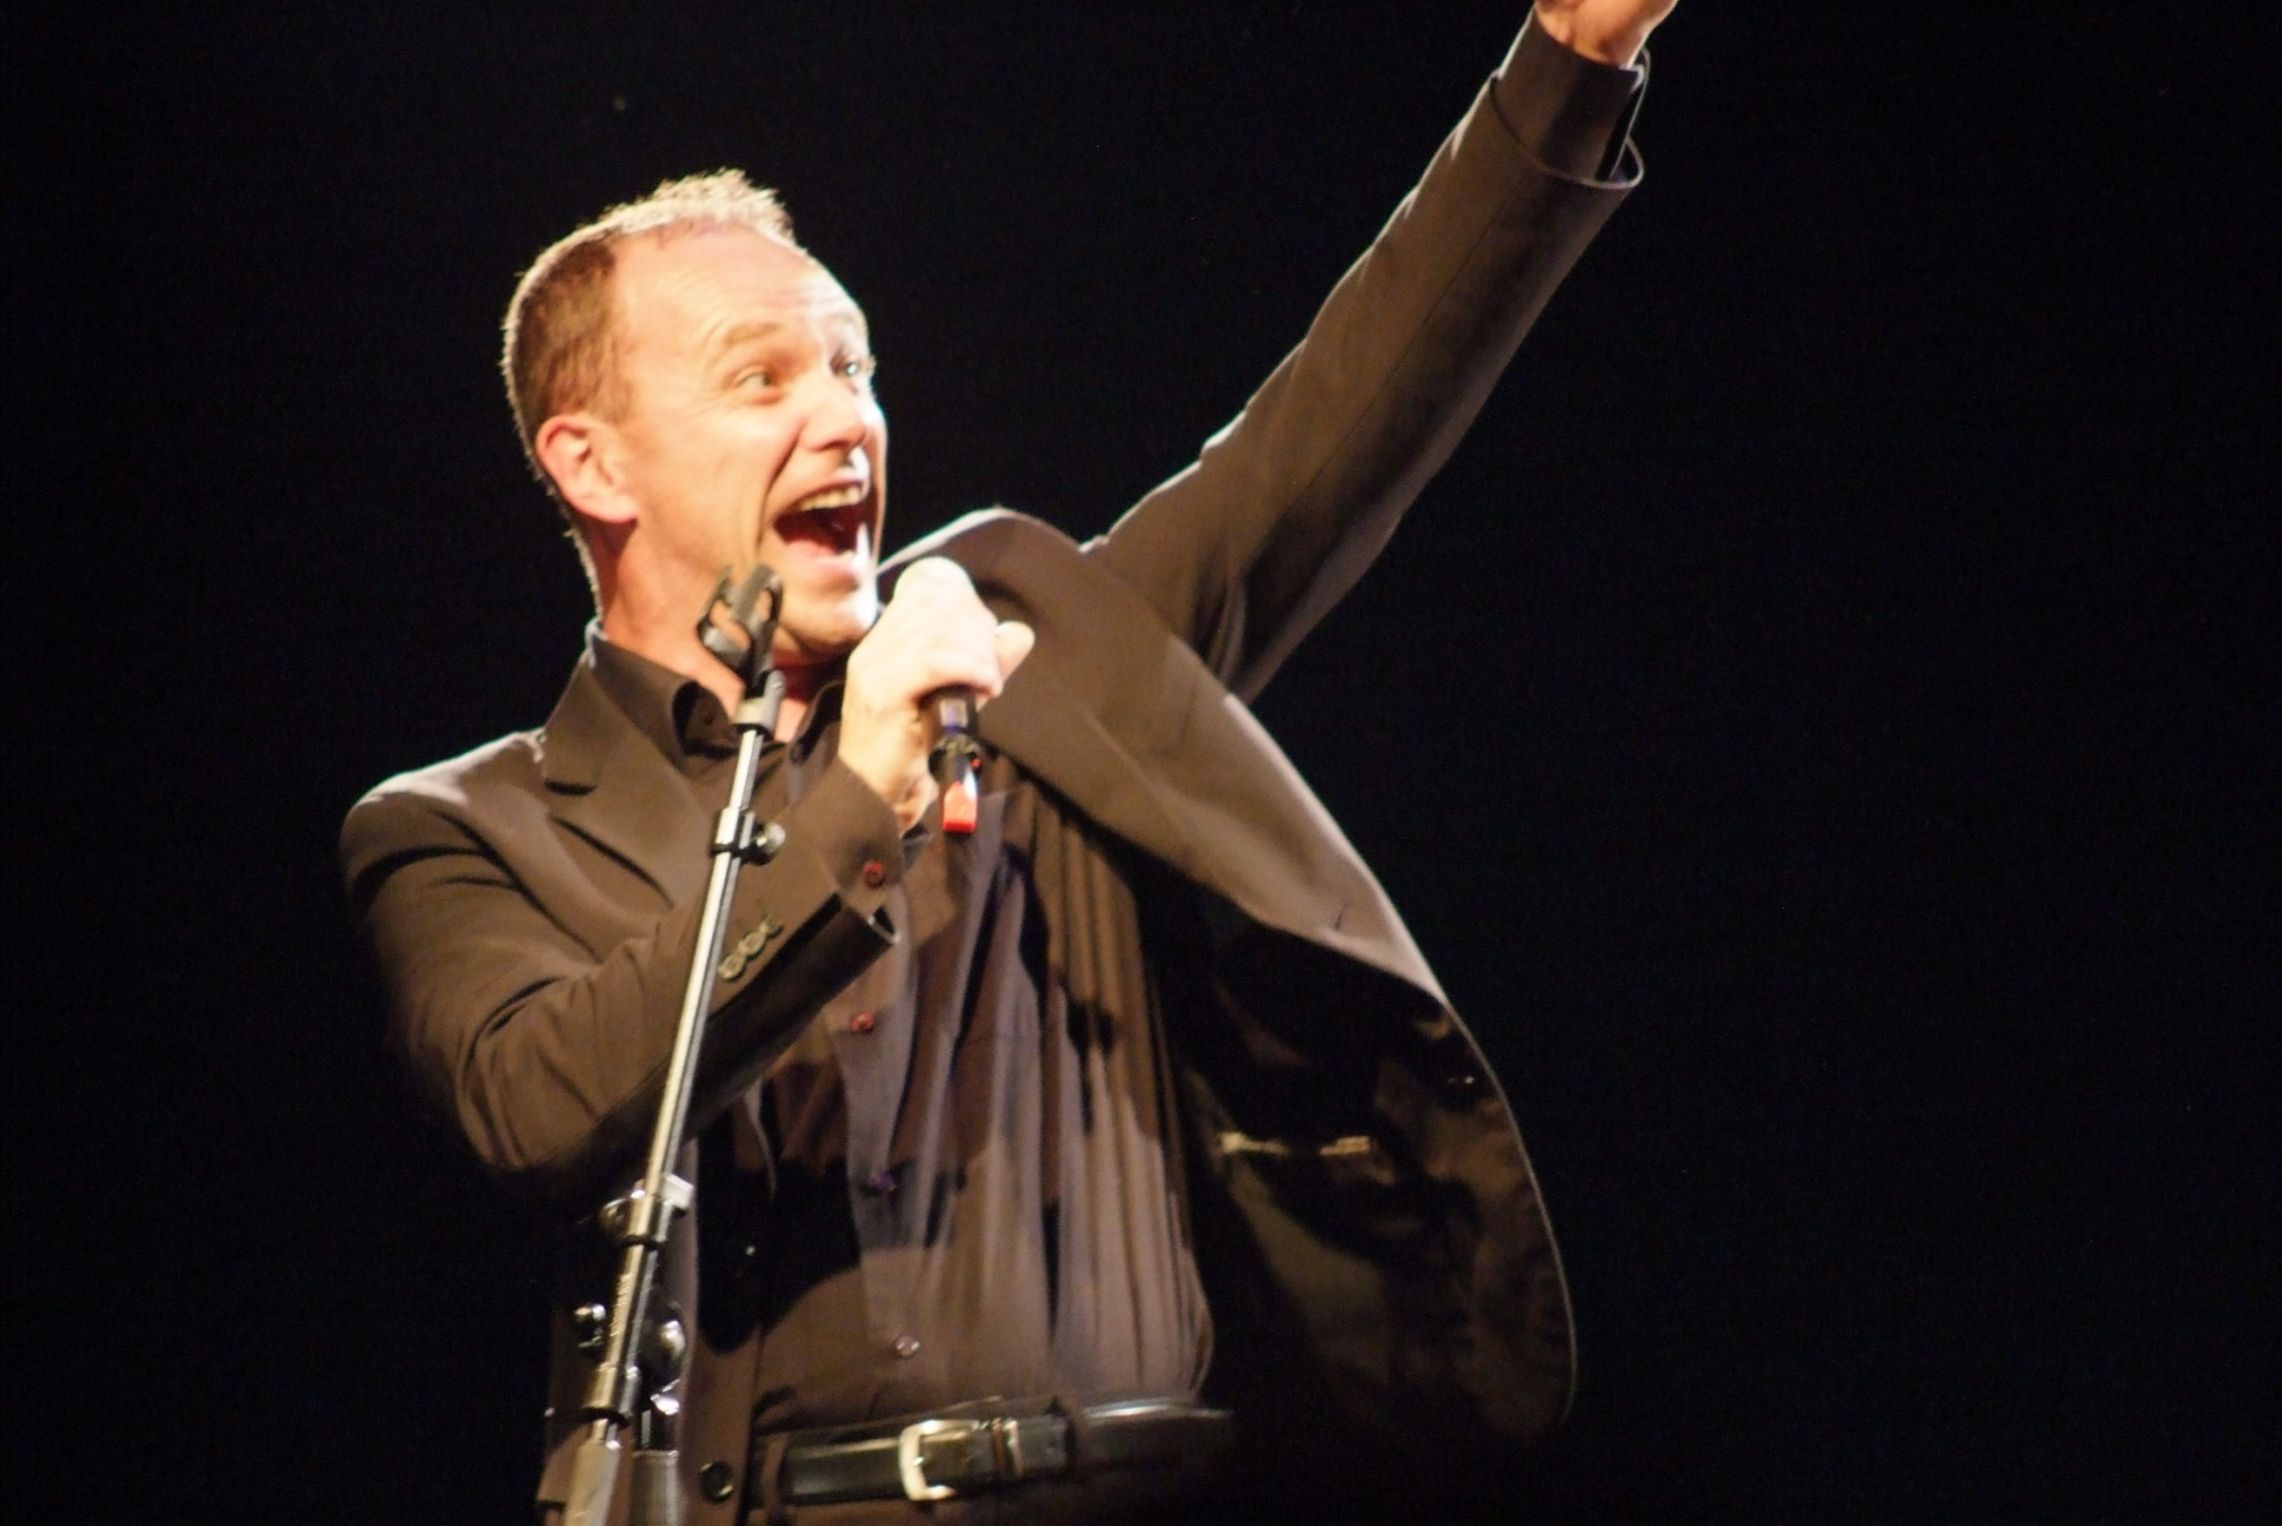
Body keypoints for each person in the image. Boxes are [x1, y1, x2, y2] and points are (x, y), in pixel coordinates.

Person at [343, 4, 1677, 1520]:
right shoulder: (466, 827)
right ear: (592, 462)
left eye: (854, 367)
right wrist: (860, 800)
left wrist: (1571, 60)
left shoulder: (1031, 668)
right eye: (762, 380)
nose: (844, 417)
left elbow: (1331, 435)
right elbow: (539, 1104)